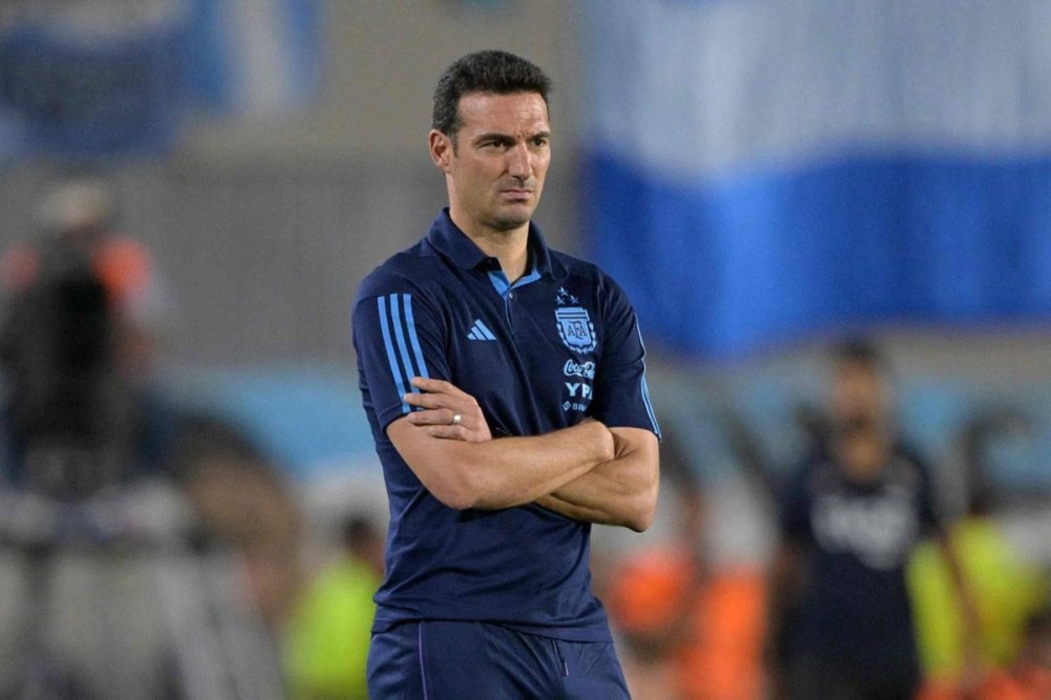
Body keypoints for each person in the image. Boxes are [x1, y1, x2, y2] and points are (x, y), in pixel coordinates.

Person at [351, 49, 661, 698]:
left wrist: (496, 449)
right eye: (495, 143)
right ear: (442, 150)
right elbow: (460, 479)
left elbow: (637, 496)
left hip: (577, 637)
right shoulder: (401, 296)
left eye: (536, 142)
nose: (521, 165)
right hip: (450, 629)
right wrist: (593, 440)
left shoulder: (596, 297)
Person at [767, 338, 977, 700]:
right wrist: (772, 650)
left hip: (891, 656)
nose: (854, 394)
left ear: (883, 390)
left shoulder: (912, 470)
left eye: (863, 381)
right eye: (844, 382)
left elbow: (950, 558)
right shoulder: (810, 472)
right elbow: (785, 566)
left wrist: (969, 646)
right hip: (823, 656)